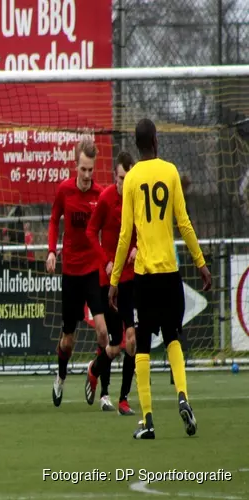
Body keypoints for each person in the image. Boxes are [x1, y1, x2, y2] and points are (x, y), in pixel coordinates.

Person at [109, 118, 211, 439]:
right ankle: (182, 395)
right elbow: (184, 222)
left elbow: (126, 234)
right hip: (171, 274)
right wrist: (201, 263)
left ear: (136, 144)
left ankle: (148, 420)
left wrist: (114, 280)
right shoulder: (169, 172)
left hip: (144, 276)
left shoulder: (131, 180)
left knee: (142, 346)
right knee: (173, 338)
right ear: (155, 140)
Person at [46, 139, 108, 407]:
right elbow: (53, 220)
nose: (86, 175)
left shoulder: (100, 195)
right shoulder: (64, 191)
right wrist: (51, 251)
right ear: (75, 166)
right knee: (68, 341)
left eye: (90, 170)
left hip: (93, 271)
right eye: (82, 169)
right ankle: (60, 377)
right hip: (71, 272)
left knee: (104, 334)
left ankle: (103, 388)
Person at [85, 151, 138, 415]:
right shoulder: (106, 199)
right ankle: (95, 369)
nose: (124, 183)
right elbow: (90, 232)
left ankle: (123, 400)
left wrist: (138, 247)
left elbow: (144, 232)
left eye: (128, 178)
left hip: (131, 280)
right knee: (116, 345)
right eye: (120, 178)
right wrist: (106, 261)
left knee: (132, 340)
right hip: (109, 281)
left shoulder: (137, 199)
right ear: (114, 177)